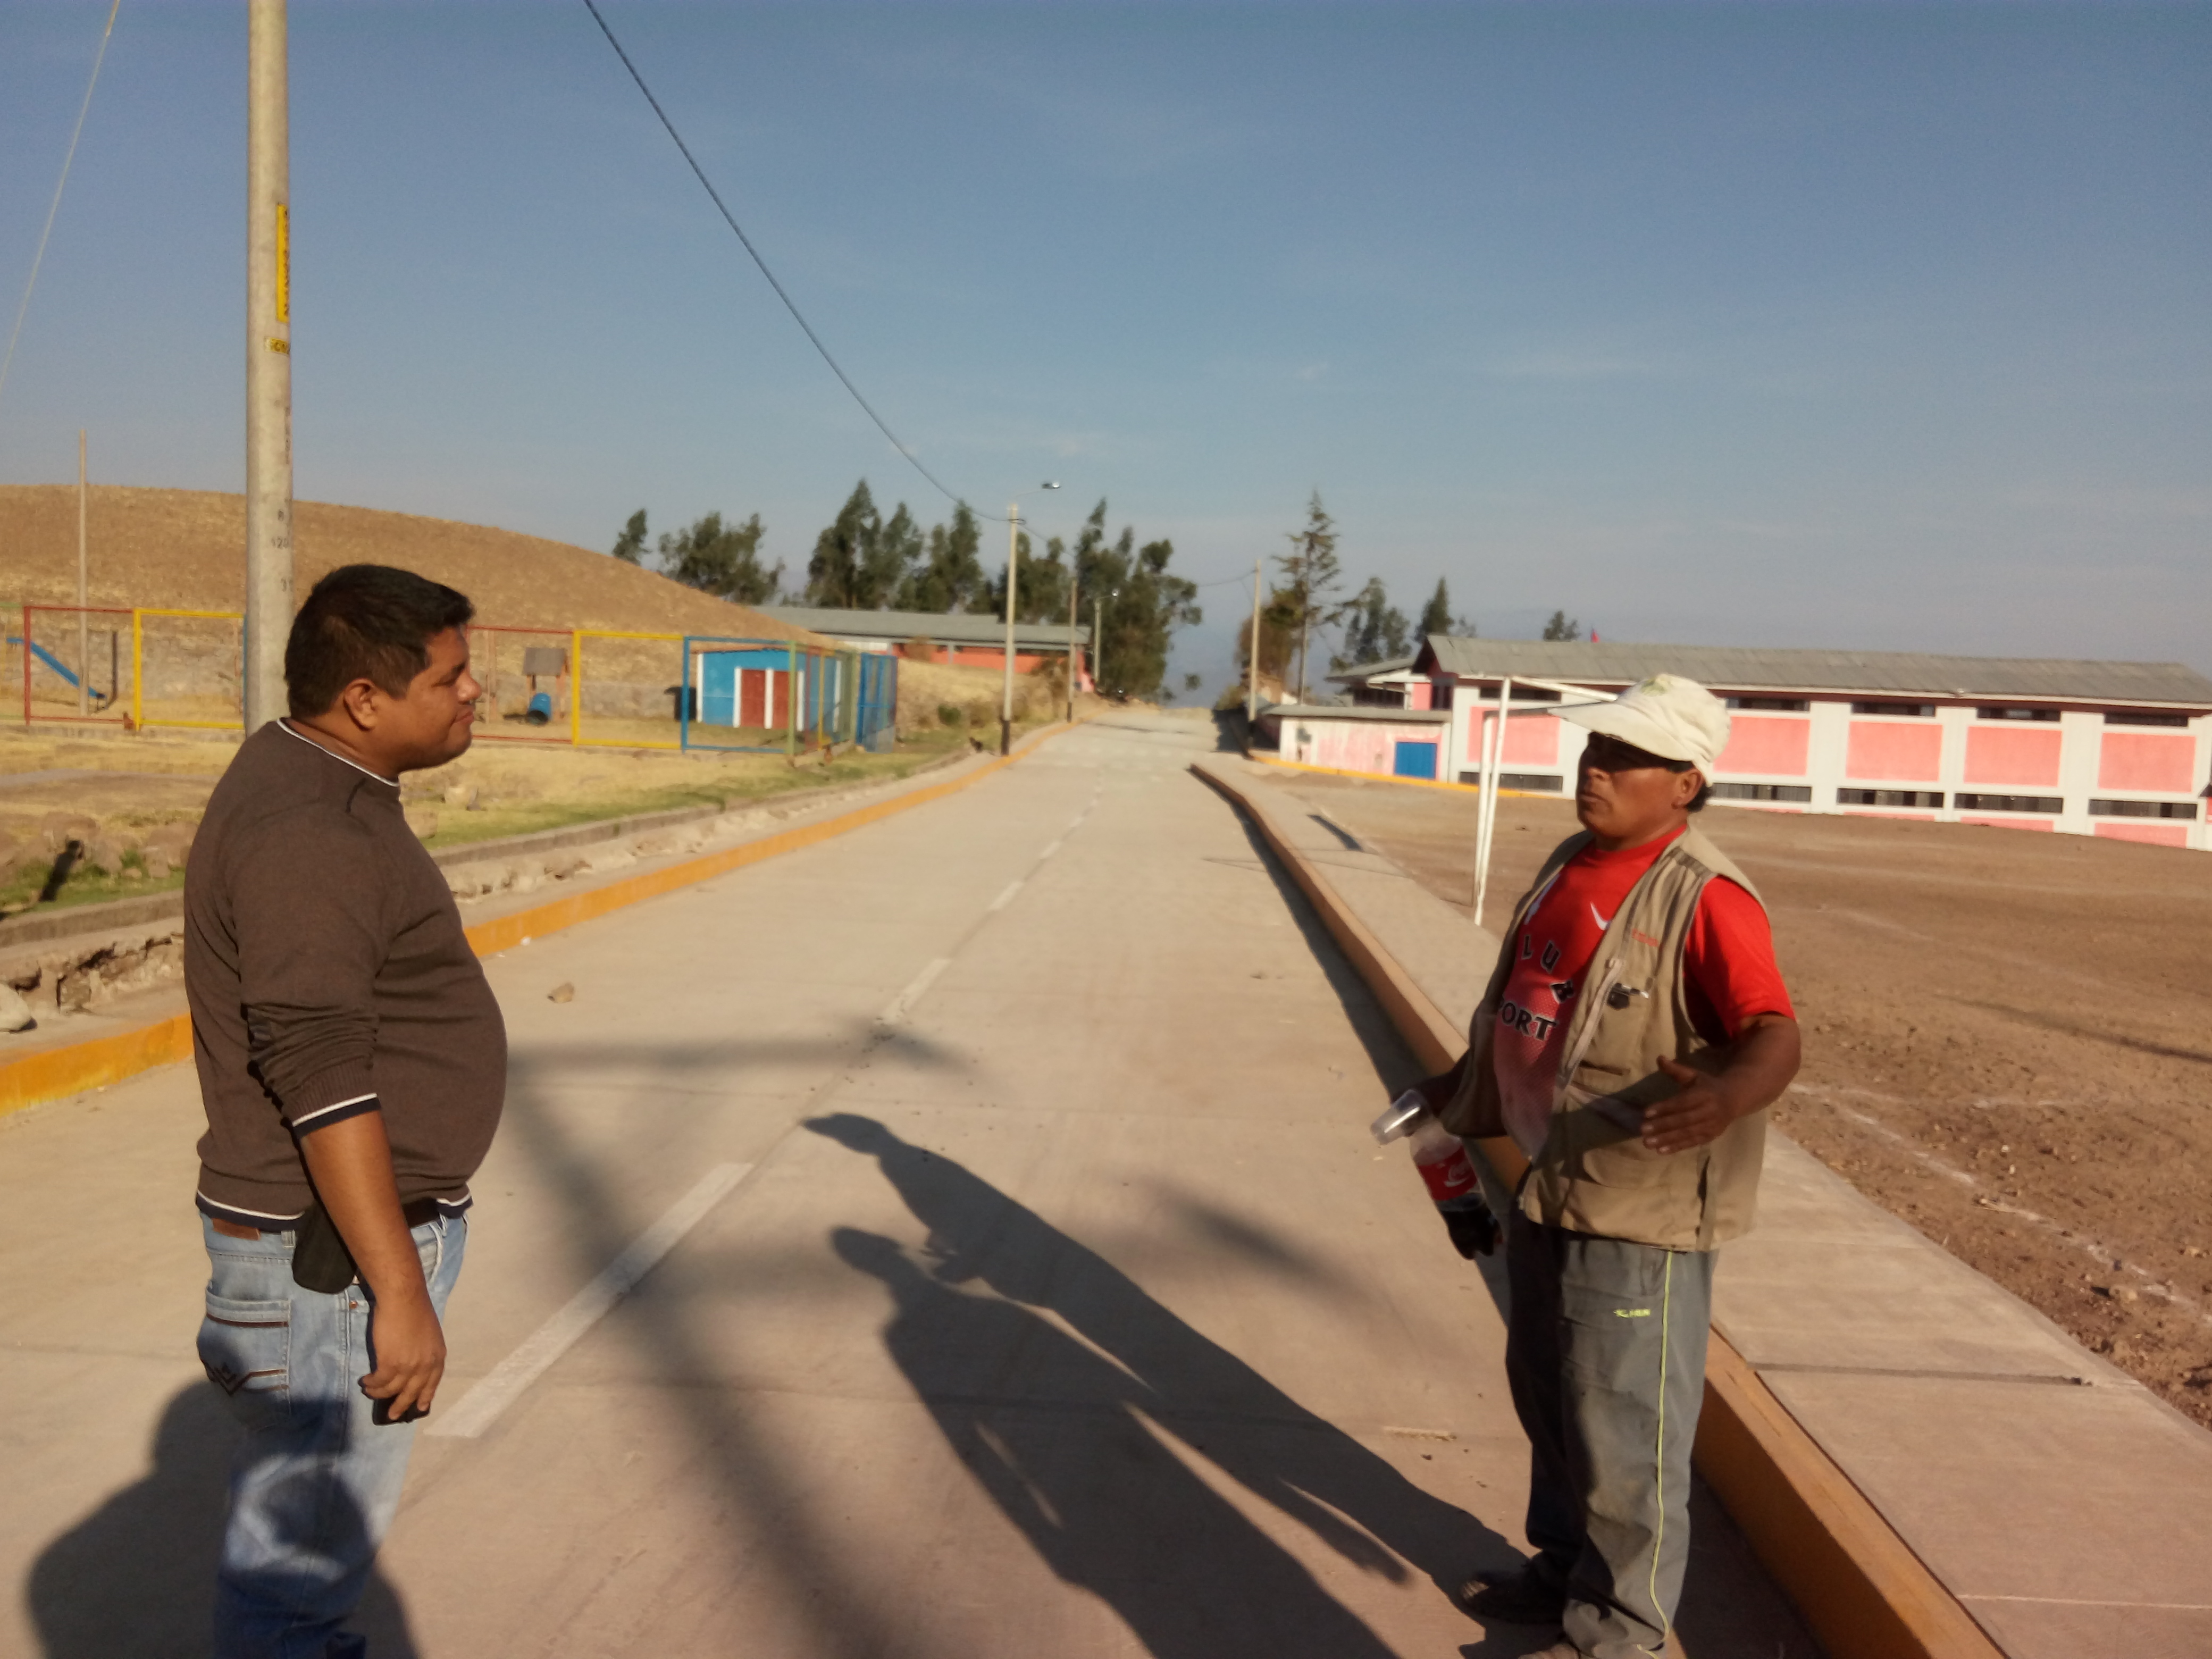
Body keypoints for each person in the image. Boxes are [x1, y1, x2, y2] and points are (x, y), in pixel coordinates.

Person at [1411, 673, 1801, 1659]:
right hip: (1551, 1178)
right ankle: (1560, 1575)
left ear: (1686, 783)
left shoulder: (1706, 896)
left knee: (1627, 1425)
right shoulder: (1570, 861)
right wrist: (1462, 1082)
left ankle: (1622, 1633)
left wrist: (1725, 1096)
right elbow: (1532, 1000)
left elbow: (1775, 1034)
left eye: (1627, 760)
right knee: (1551, 1394)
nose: (1598, 771)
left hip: (1640, 1208)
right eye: (1596, 752)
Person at [185, 565, 504, 1659]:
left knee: (301, 1573)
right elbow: (322, 1078)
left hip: (325, 1260)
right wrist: (400, 1295)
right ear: (365, 698)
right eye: (453, 677)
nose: (478, 693)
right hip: (328, 1271)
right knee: (297, 1591)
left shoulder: (317, 781)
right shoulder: (307, 834)